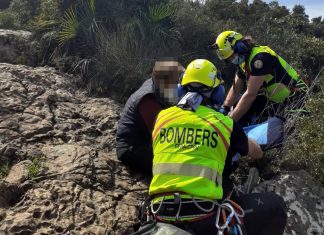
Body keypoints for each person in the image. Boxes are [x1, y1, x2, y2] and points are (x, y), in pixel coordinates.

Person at [146, 59, 287, 235]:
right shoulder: (224, 123)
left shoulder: (162, 118)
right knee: (276, 206)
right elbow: (257, 153)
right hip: (204, 216)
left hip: (160, 212)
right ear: (218, 92)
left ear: (181, 88)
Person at [213, 30, 308, 126]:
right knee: (239, 105)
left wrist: (228, 123)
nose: (232, 60)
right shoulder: (244, 62)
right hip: (277, 101)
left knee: (290, 131)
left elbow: (250, 94)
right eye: (229, 59)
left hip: (298, 98)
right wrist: (224, 108)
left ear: (240, 47)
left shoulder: (261, 57)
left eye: (232, 56)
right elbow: (235, 90)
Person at [116, 60, 184, 175]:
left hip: (142, 142)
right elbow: (161, 136)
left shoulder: (155, 85)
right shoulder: (148, 100)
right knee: (179, 168)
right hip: (133, 150)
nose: (180, 84)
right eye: (178, 80)